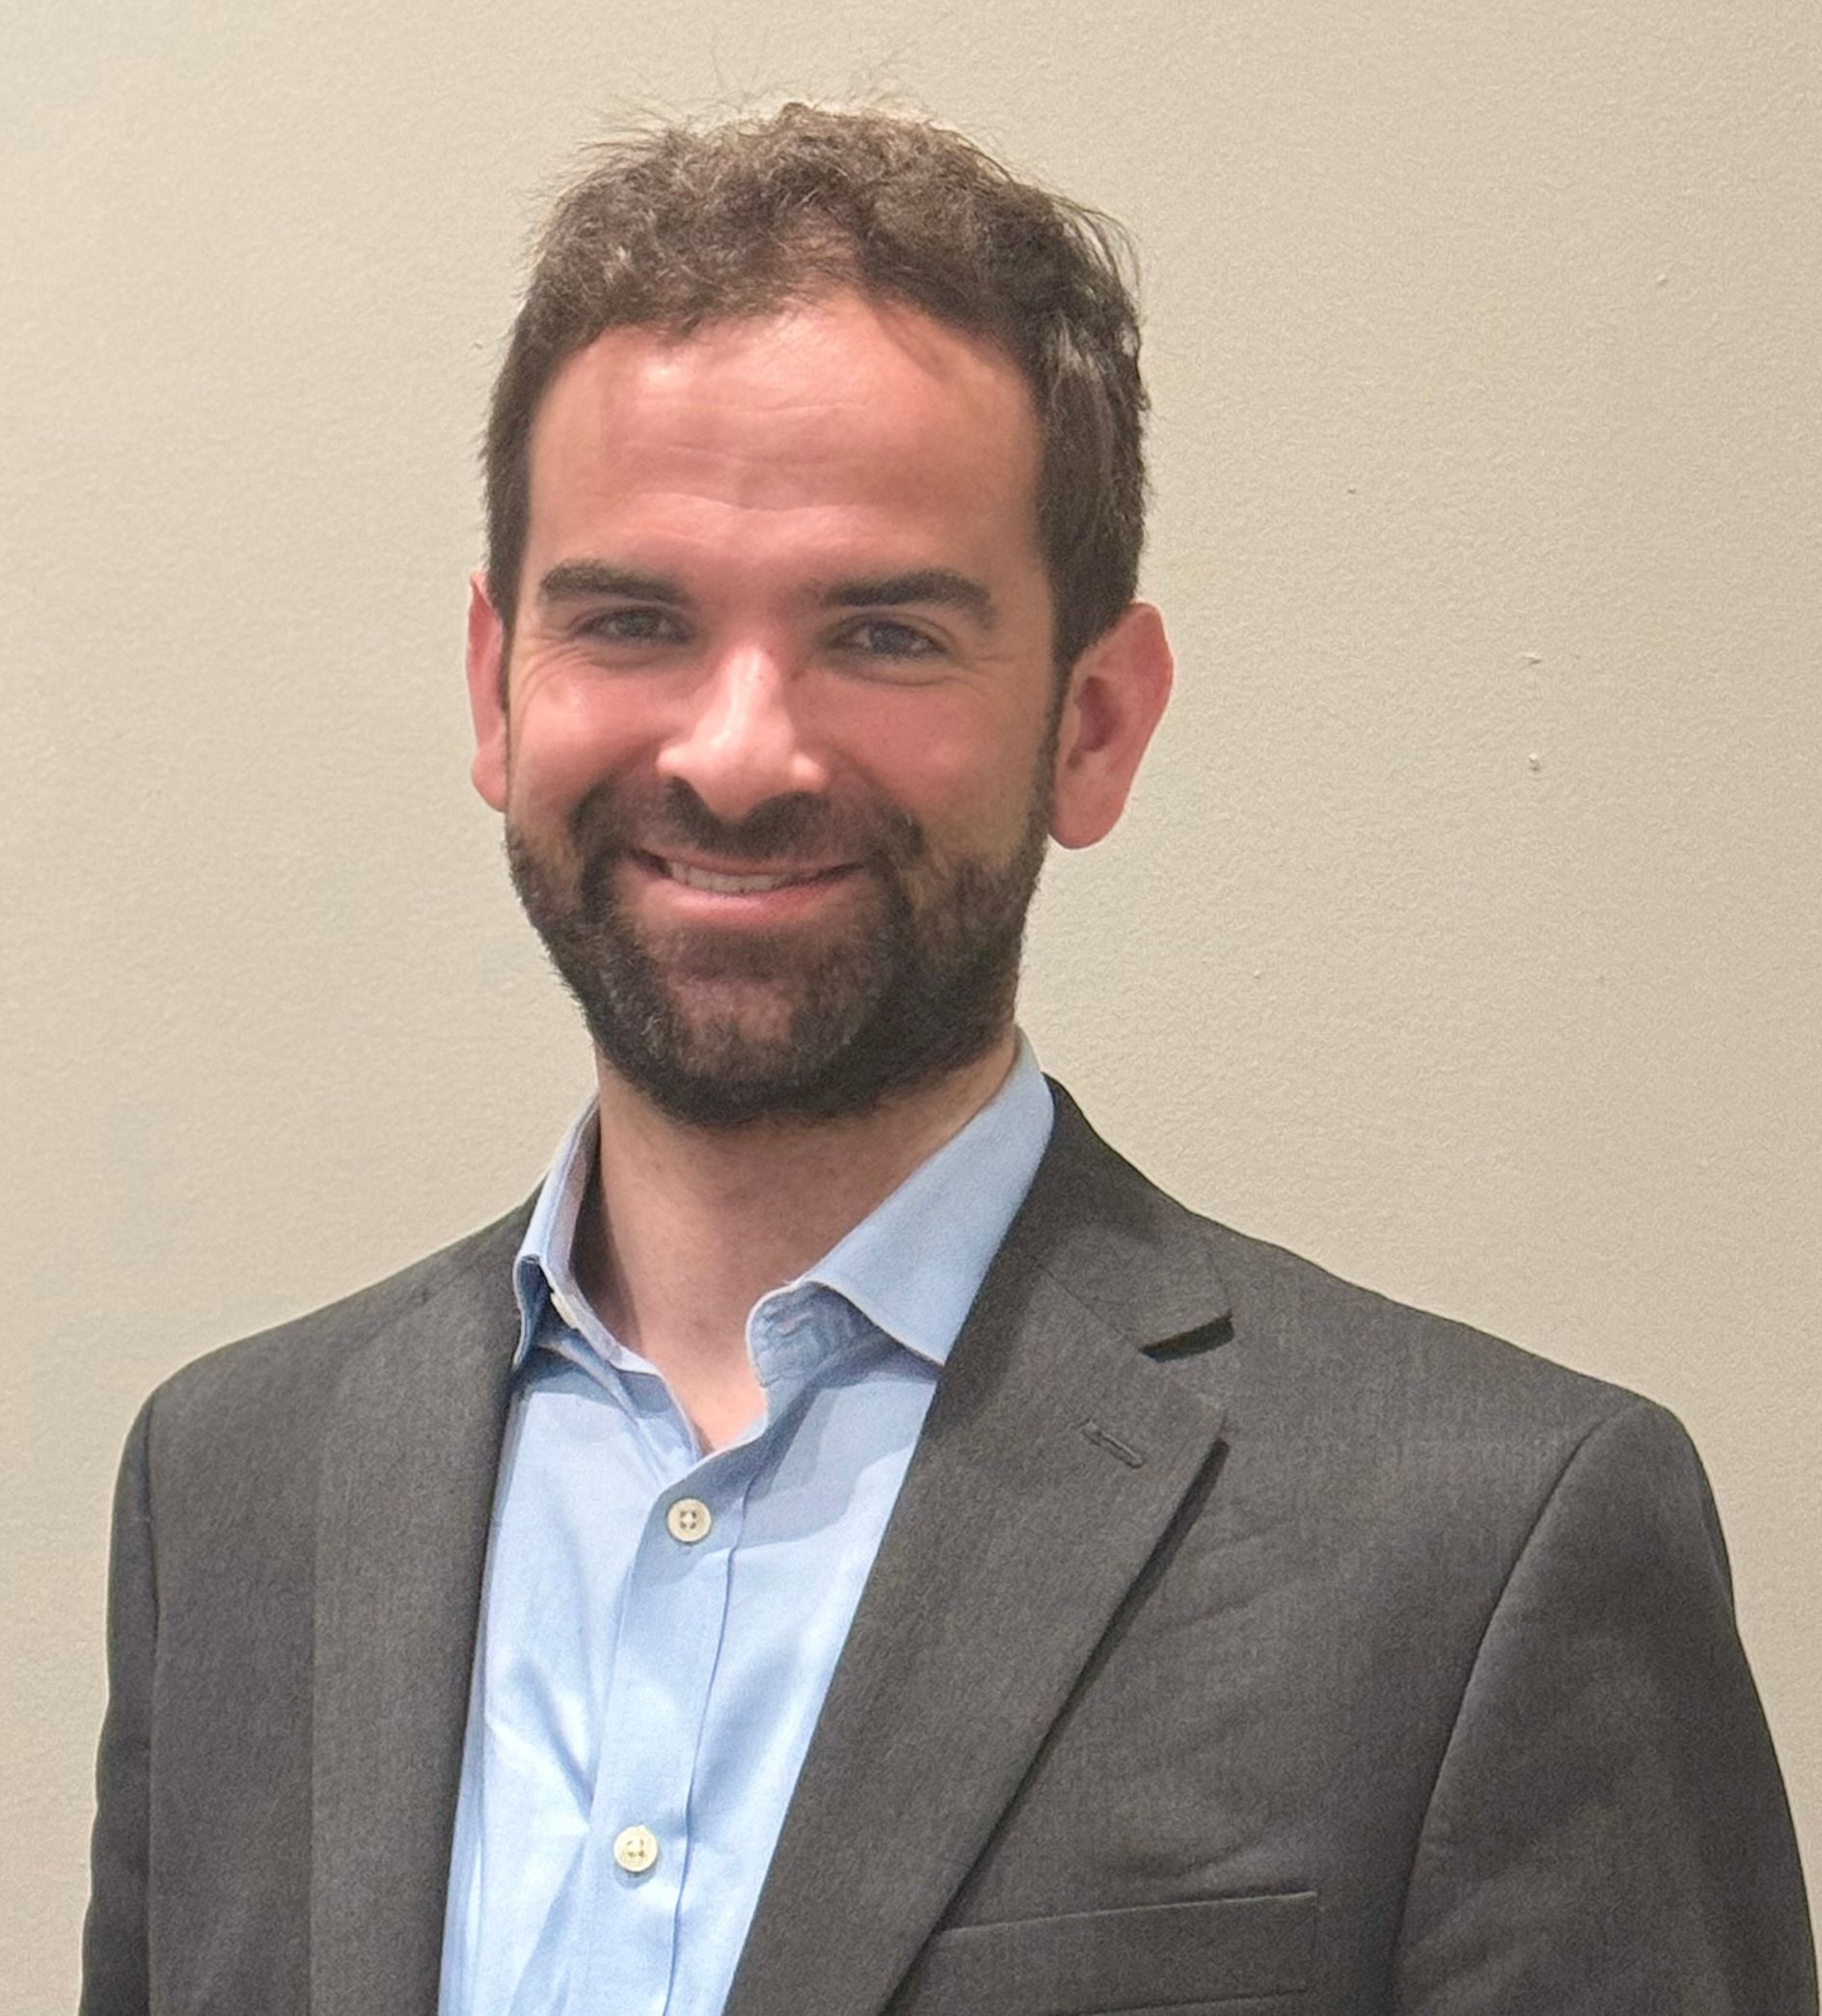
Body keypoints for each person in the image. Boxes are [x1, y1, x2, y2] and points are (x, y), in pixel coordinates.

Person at [81, 105, 1814, 2016]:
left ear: (1094, 723)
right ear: (496, 687)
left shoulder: (1490, 1556)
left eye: (883, 633)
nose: (741, 750)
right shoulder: (234, 1492)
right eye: (634, 620)